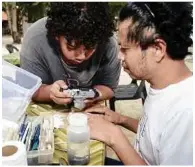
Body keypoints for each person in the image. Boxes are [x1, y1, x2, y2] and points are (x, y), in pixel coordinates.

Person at [85, 2, 193, 165]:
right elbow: (156, 138)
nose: (119, 56)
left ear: (157, 49)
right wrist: (119, 119)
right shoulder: (162, 87)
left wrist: (114, 137)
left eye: (125, 49)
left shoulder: (186, 113)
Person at [20, 2, 121, 106]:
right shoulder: (35, 40)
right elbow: (29, 89)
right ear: (56, 35)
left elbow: (109, 87)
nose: (81, 56)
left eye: (90, 47)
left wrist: (95, 94)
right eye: (72, 46)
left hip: (90, 109)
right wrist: (50, 92)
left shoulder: (108, 42)